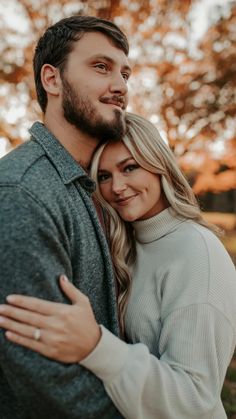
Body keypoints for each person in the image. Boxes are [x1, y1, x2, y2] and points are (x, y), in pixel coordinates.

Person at [0, 113, 235, 419]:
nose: (117, 187)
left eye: (129, 168)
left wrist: (96, 346)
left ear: (158, 164)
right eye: (104, 176)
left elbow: (193, 399)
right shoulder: (129, 244)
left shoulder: (195, 252)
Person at [0, 14, 131, 419]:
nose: (121, 86)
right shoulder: (23, 193)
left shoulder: (90, 185)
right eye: (101, 67)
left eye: (125, 73)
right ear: (52, 80)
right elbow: (43, 377)